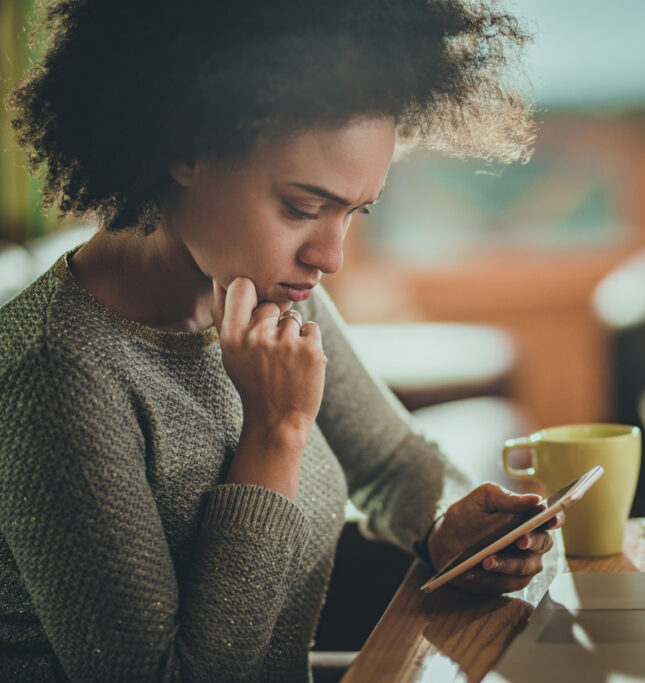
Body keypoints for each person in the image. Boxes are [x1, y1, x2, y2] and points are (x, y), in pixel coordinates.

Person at [0, 1, 560, 680]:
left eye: (356, 212)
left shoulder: (268, 288)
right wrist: (273, 434)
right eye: (302, 207)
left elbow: (390, 462)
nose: (331, 255)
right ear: (185, 148)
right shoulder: (53, 374)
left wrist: (451, 526)